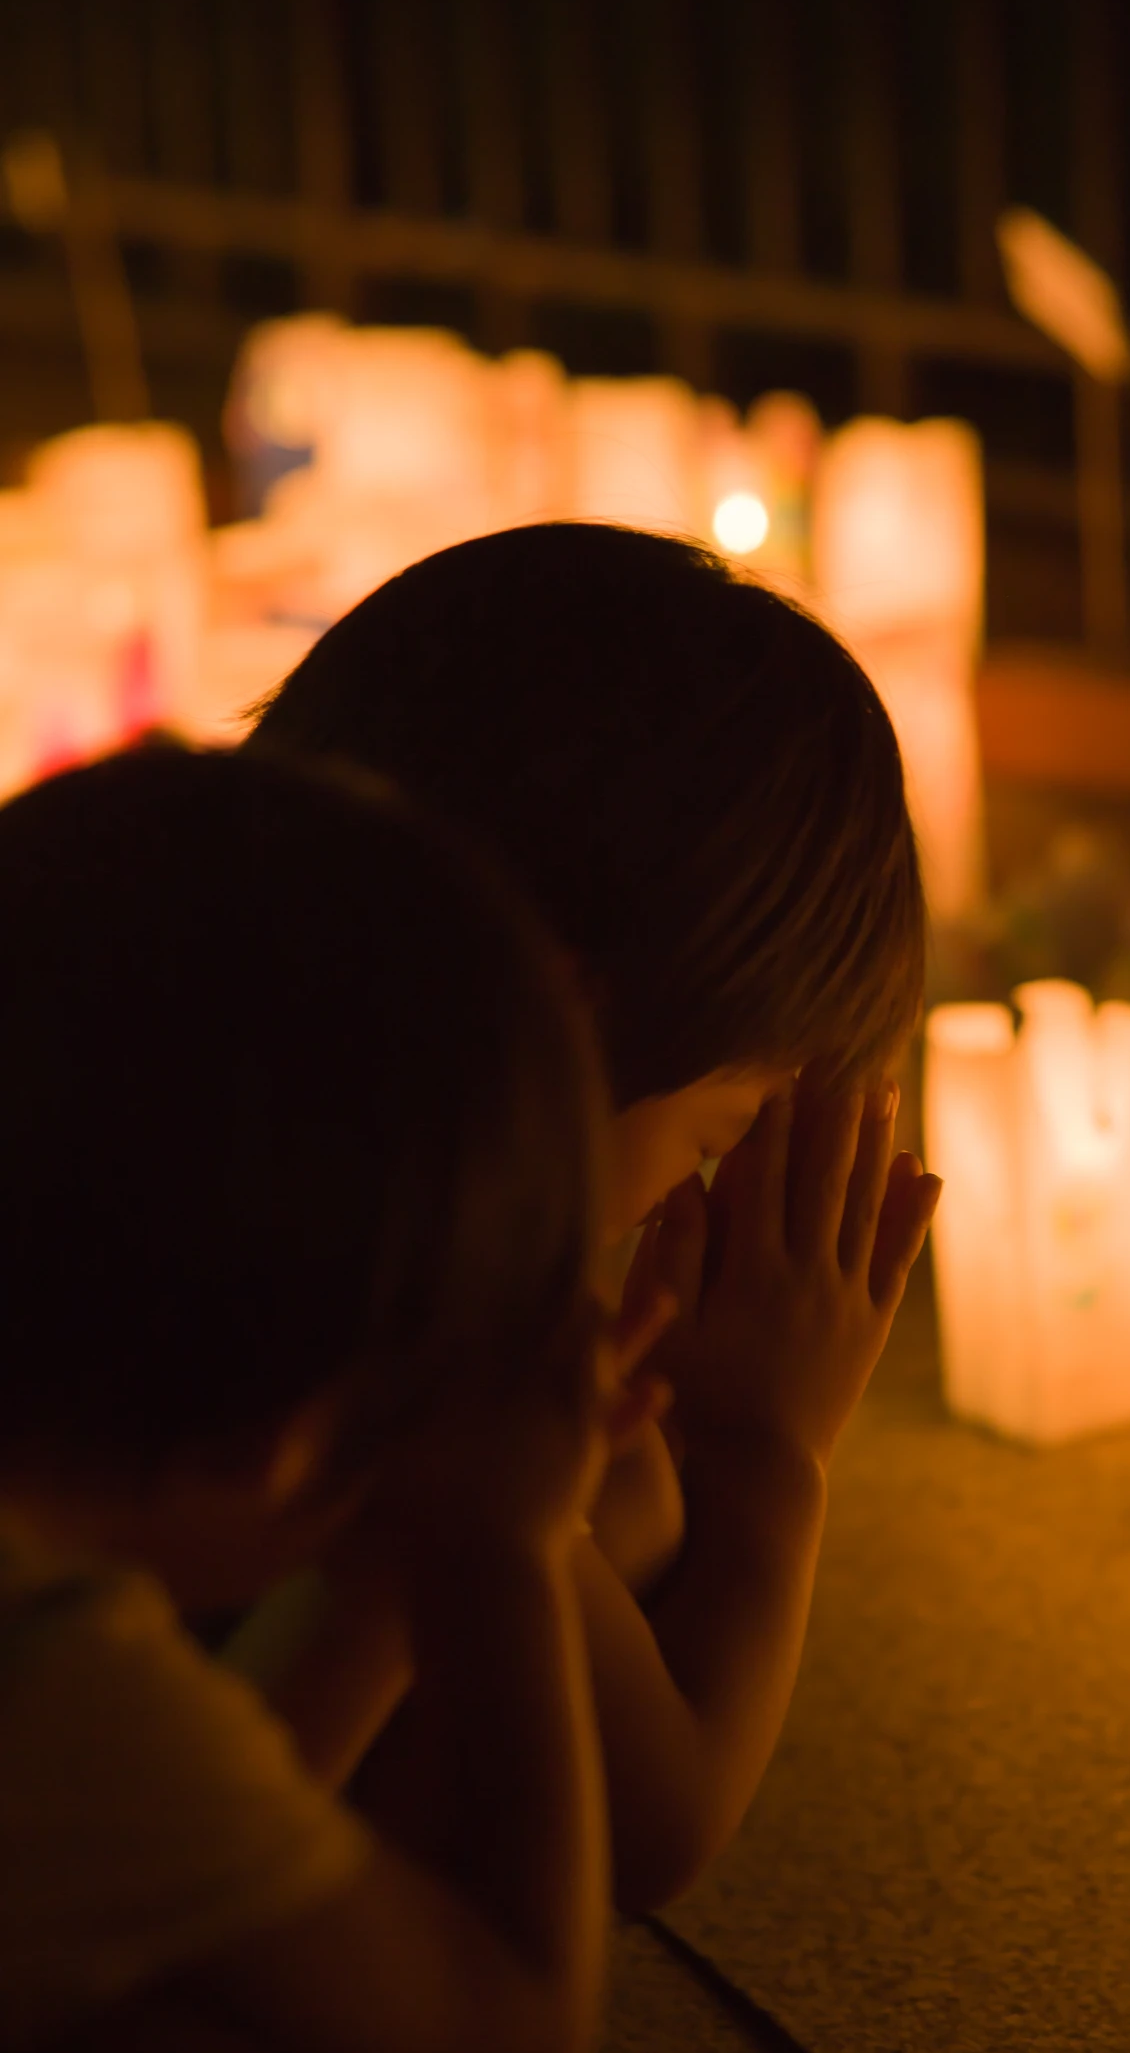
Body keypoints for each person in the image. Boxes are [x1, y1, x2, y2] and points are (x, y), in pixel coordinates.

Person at [244, 521, 944, 1914]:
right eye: (717, 1132)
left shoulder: (226, 1122)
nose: (690, 1196)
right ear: (561, 1017)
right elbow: (657, 1822)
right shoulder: (400, 1316)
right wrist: (767, 1454)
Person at [0, 744, 646, 2053]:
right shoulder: (45, 1668)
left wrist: (369, 1596)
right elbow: (509, 2046)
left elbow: (194, 1875)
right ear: (271, 1442)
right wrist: (498, 1551)